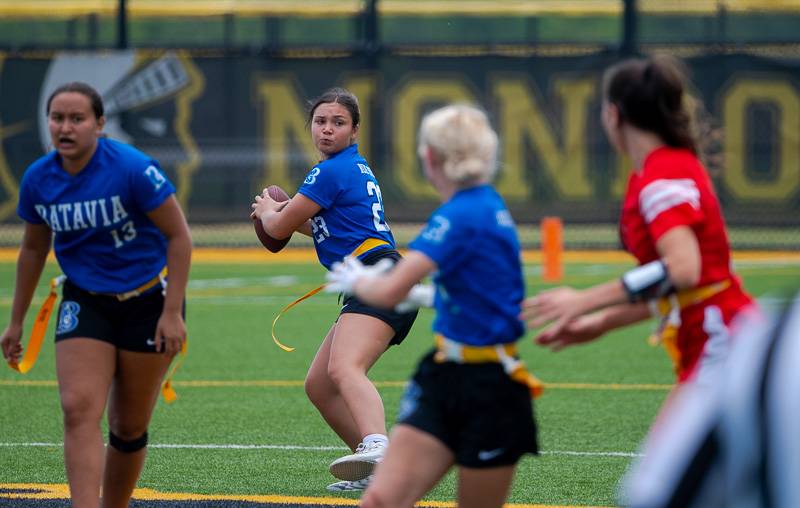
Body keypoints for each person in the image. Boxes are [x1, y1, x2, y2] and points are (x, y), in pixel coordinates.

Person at [324, 104, 539, 508]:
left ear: (430, 159)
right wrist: (426, 296)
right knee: (381, 498)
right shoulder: (490, 205)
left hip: (482, 385)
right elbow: (474, 293)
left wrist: (358, 281)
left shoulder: (456, 216)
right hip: (462, 377)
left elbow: (391, 289)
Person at [0, 81, 191, 508]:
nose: (65, 127)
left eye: (77, 118)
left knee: (128, 426)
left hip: (148, 301)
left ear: (99, 124)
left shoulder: (131, 168)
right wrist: (16, 321)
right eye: (57, 118)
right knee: (78, 407)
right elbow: (33, 248)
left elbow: (178, 236)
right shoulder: (39, 179)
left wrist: (172, 311)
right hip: (85, 300)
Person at [521, 55, 755, 386]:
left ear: (613, 114)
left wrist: (584, 301)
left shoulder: (662, 178)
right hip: (714, 338)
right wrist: (601, 322)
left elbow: (682, 271)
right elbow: (681, 289)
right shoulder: (661, 171)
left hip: (721, 340)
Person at [250, 87, 418, 492]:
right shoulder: (351, 169)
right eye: (320, 121)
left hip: (378, 276)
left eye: (338, 122)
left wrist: (268, 209)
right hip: (378, 277)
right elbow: (320, 226)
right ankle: (382, 471)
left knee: (344, 367)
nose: (327, 129)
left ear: (354, 130)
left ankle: (378, 446)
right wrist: (287, 211)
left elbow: (275, 230)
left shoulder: (328, 172)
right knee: (320, 386)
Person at [621, 289, 800, 508]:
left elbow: (652, 492)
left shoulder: (767, 346)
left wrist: (587, 304)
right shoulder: (767, 342)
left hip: (714, 327)